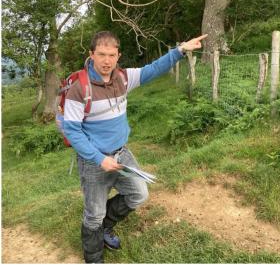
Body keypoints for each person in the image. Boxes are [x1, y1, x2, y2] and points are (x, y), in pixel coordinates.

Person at [62, 30, 206, 263]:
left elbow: (153, 69)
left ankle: (106, 228)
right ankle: (94, 258)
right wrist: (99, 159)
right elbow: (72, 131)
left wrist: (180, 50)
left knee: (139, 193)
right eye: (101, 55)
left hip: (122, 154)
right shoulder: (79, 88)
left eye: (111, 55)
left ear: (118, 55)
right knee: (93, 215)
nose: (106, 61)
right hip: (93, 162)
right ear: (91, 54)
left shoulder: (124, 78)